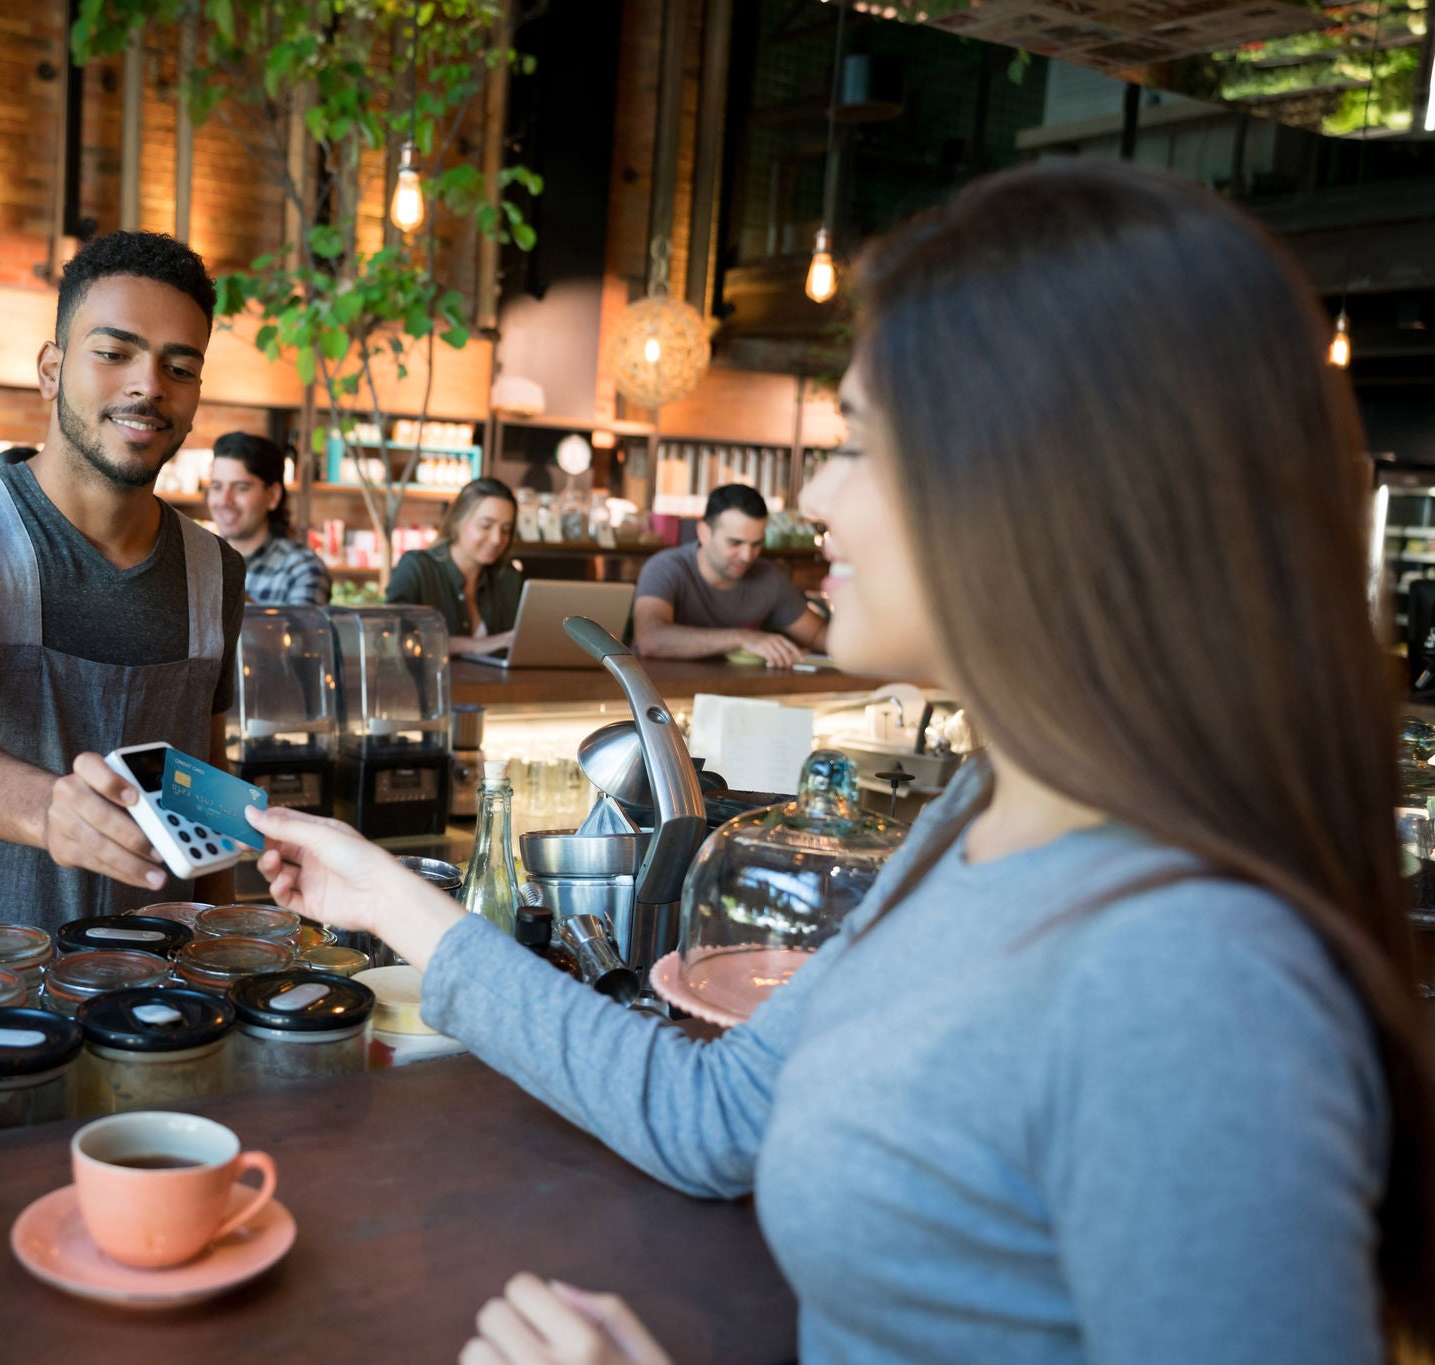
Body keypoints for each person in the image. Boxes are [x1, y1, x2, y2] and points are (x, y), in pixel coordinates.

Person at [245, 161, 1435, 1363]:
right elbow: (711, 1114)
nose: (811, 498)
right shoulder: (980, 818)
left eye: (856, 444)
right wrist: (388, 899)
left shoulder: (1189, 986)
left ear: (1034, 491)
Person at [0, 231, 245, 991]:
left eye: (180, 365)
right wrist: (50, 810)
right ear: (50, 368)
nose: (149, 385)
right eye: (113, 352)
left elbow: (204, 771)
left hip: (140, 999)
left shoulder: (215, 570)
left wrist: (225, 950)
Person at [631, 484, 827, 666]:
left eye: (756, 544)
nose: (747, 556)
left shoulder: (768, 577)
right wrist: (742, 638)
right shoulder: (665, 568)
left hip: (736, 693)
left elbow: (817, 635)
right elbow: (650, 639)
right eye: (735, 543)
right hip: (662, 697)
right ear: (704, 533)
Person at [384, 477, 524, 656]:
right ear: (458, 521)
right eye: (485, 526)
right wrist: (478, 645)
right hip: (430, 684)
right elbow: (394, 637)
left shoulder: (507, 577)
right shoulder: (417, 568)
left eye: (506, 529)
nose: (497, 539)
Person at [205, 431, 330, 606]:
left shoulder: (301, 569)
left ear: (273, 496)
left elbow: (301, 634)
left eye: (241, 488)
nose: (225, 501)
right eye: (216, 487)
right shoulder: (199, 561)